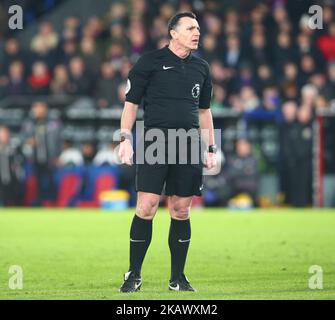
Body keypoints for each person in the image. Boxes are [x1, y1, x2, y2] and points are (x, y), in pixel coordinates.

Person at [118, 12, 217, 292]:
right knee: (146, 207)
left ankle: (178, 278)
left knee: (181, 211)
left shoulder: (202, 68)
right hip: (156, 141)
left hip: (188, 143)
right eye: (190, 28)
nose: (197, 32)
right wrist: (124, 138)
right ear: (173, 33)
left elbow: (204, 111)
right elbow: (131, 103)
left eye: (198, 28)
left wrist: (211, 147)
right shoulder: (149, 62)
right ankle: (133, 274)